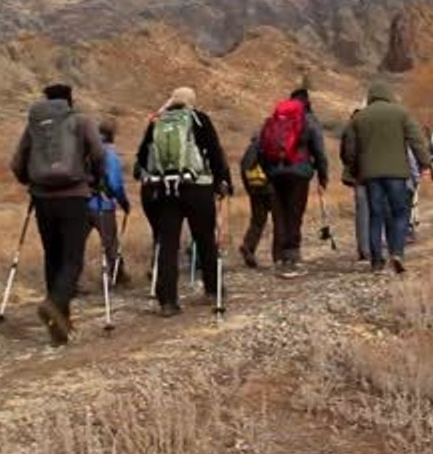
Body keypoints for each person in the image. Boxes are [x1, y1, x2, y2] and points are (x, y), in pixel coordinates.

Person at [9, 83, 105, 345]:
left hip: (42, 200)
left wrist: (33, 183)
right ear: (69, 100)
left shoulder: (34, 126)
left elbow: (17, 163)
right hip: (74, 197)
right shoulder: (81, 121)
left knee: (53, 258)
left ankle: (59, 323)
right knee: (72, 259)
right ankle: (54, 304)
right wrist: (96, 180)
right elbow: (98, 153)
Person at [134, 87, 233, 316]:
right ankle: (213, 289)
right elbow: (215, 153)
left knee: (167, 243)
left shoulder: (157, 121)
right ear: (191, 102)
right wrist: (222, 181)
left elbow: (141, 157)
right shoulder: (199, 120)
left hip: (165, 189)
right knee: (205, 238)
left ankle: (167, 300)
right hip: (197, 187)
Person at [343, 81, 431, 274]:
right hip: (396, 174)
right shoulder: (401, 113)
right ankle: (397, 252)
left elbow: (349, 150)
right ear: (388, 95)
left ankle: (376, 262)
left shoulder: (359, 118)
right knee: (400, 212)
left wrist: (355, 169)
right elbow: (416, 140)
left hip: (370, 175)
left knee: (376, 216)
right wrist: (425, 164)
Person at [258, 88, 329, 278]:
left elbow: (261, 147)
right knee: (294, 213)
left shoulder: (275, 119)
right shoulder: (309, 119)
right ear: (307, 102)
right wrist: (322, 176)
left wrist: (268, 171)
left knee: (279, 215)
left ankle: (279, 257)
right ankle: (292, 257)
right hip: (299, 172)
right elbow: (319, 151)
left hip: (274, 173)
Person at [88, 118, 131, 286]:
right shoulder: (110, 154)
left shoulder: (86, 150)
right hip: (103, 204)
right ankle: (117, 277)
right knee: (110, 243)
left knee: (74, 245)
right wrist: (123, 202)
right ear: (113, 134)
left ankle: (70, 280)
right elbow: (115, 182)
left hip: (82, 202)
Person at [339, 107, 372, 262]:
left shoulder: (349, 127)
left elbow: (345, 154)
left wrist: (352, 168)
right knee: (375, 211)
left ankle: (363, 249)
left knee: (362, 212)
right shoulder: (370, 126)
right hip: (373, 174)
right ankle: (373, 246)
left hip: (358, 176)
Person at [238, 133, 274, 268]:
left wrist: (249, 190)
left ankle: (248, 246)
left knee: (257, 221)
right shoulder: (271, 146)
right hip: (270, 188)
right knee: (280, 220)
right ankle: (281, 255)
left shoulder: (251, 148)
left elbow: (243, 169)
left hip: (255, 188)